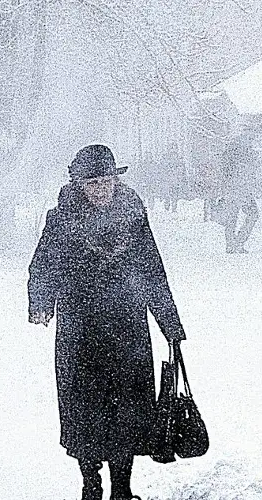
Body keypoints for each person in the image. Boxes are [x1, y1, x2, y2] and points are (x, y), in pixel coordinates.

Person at [28, 144, 187, 500]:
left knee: (128, 411)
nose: (101, 189)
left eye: (107, 181)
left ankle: (122, 488)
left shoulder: (133, 214)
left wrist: (170, 323)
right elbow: (43, 264)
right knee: (85, 411)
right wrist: (40, 300)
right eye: (93, 183)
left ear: (116, 179)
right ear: (79, 185)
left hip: (127, 327)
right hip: (80, 329)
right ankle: (90, 483)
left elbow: (152, 269)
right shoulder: (62, 219)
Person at [218, 129, 259, 253]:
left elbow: (224, 170)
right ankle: (238, 242)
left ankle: (231, 244)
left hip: (233, 188)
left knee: (233, 216)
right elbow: (251, 171)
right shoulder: (246, 152)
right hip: (241, 189)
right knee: (252, 214)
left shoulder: (231, 150)